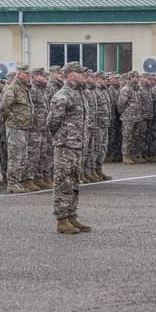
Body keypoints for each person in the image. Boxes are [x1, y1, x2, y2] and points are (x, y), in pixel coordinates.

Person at [47, 62, 91, 235]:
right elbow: (52, 122)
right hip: (66, 145)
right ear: (71, 74)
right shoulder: (63, 95)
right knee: (63, 181)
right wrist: (61, 138)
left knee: (73, 181)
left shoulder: (79, 94)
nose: (84, 76)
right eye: (81, 73)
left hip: (77, 144)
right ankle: (62, 219)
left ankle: (72, 215)